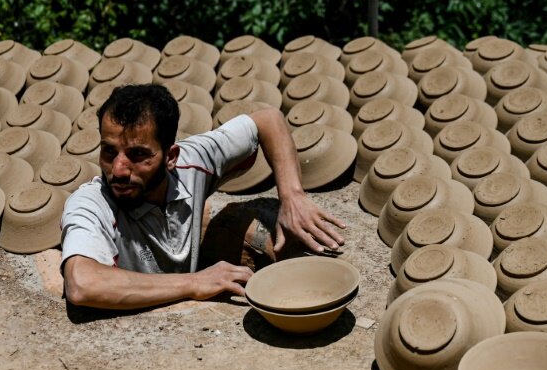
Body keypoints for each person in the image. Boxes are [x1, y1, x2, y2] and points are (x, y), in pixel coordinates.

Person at [61, 83, 346, 310]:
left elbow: (268, 119)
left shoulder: (192, 163)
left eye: (138, 155)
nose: (119, 170)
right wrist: (195, 282)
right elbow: (83, 284)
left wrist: (292, 196)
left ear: (171, 157)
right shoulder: (90, 204)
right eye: (109, 151)